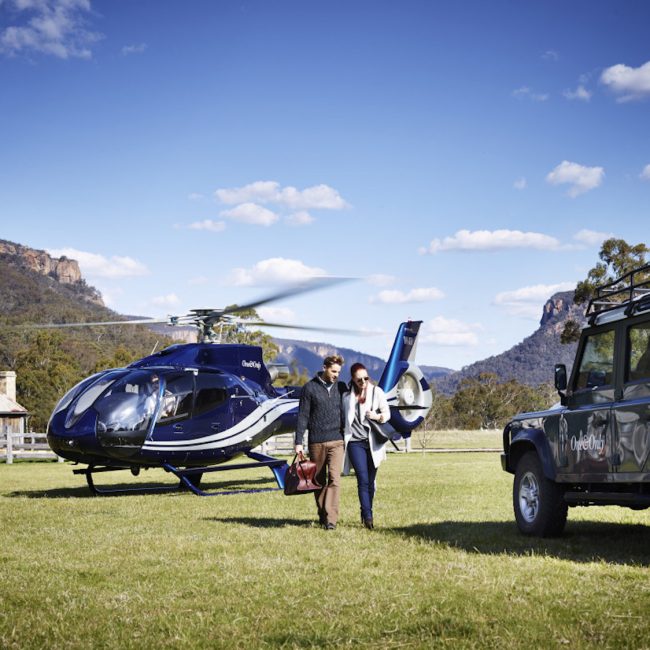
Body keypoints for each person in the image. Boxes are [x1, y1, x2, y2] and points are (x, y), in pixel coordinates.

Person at [294, 354, 346, 530]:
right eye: (333, 371)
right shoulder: (309, 388)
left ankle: (331, 519)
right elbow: (303, 416)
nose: (336, 375)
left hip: (337, 441)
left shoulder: (342, 387)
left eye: (338, 372)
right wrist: (298, 441)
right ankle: (323, 514)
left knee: (334, 478)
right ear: (324, 368)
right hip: (316, 442)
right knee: (318, 481)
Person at [343, 363, 390, 529]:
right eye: (359, 379)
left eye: (366, 378)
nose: (363, 381)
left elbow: (387, 414)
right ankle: (368, 517)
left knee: (370, 482)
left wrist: (376, 416)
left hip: (372, 443)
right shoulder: (347, 397)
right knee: (362, 479)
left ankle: (366, 512)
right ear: (354, 380)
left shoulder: (377, 392)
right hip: (355, 443)